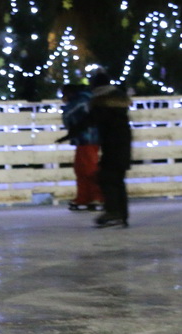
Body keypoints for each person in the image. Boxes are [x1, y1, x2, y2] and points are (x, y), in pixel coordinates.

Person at [84, 77, 133, 229]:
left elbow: (89, 121)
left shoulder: (101, 104)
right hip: (122, 146)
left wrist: (70, 133)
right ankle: (121, 214)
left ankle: (113, 212)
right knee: (118, 181)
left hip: (112, 147)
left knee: (107, 179)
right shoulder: (119, 103)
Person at [57, 83, 102, 212]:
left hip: (88, 138)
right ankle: (84, 197)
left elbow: (72, 115)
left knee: (89, 169)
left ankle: (96, 197)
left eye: (64, 95)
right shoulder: (83, 99)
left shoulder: (81, 101)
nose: (63, 98)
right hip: (82, 139)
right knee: (81, 169)